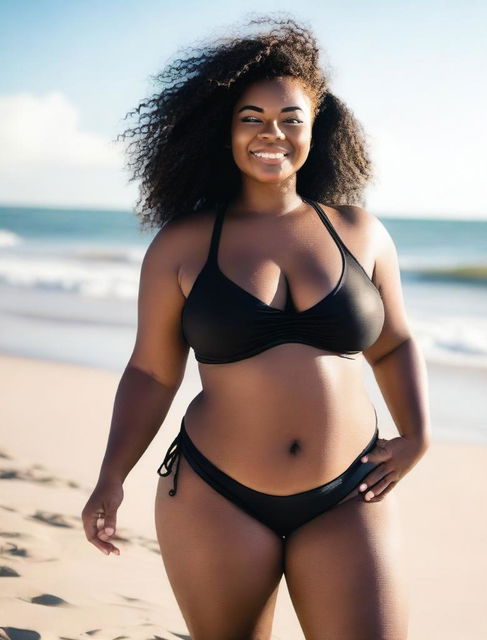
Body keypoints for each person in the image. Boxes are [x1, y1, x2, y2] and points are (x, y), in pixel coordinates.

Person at [81, 14, 430, 639]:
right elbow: (151, 370)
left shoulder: (360, 231)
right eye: (252, 118)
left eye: (291, 118)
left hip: (351, 491)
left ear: (316, 127)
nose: (273, 134)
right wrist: (112, 475)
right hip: (216, 495)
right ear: (225, 131)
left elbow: (395, 342)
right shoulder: (183, 245)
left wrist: (418, 436)